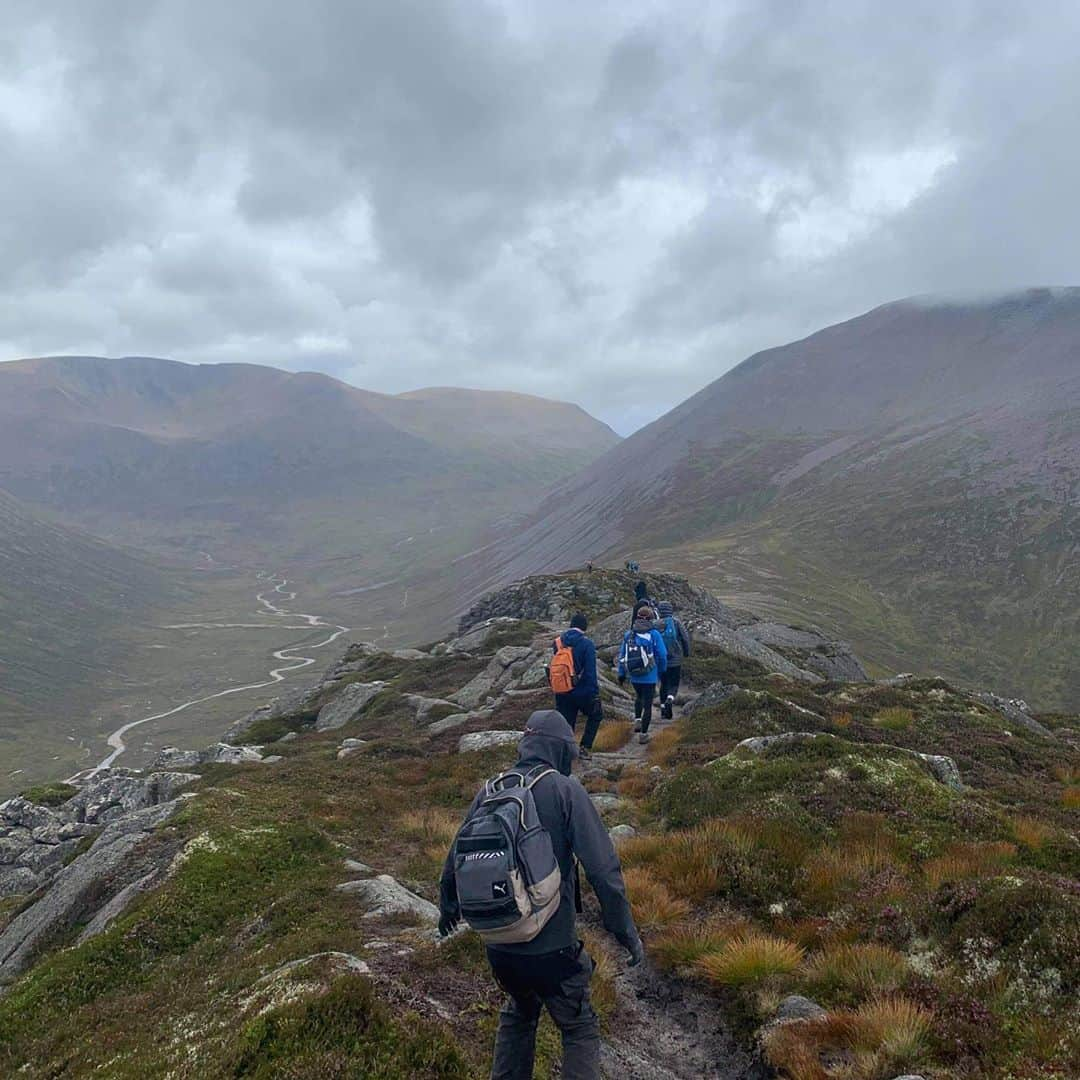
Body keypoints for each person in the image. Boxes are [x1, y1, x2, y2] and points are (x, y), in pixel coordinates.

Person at [438, 711, 644, 1080]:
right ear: (560, 749)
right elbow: (603, 871)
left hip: (500, 946)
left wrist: (447, 908)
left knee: (519, 1013)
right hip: (554, 947)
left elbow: (455, 857)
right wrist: (625, 931)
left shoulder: (491, 789)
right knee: (578, 1026)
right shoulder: (566, 790)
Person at [549, 613, 603, 758]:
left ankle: (566, 753)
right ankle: (584, 748)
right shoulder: (587, 644)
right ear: (584, 627)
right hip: (583, 691)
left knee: (567, 723)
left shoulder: (558, 643)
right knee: (596, 715)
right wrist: (594, 693)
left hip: (562, 690)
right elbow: (590, 672)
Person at [617, 606, 667, 743]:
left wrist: (621, 674)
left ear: (637, 617)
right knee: (648, 704)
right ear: (652, 618)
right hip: (649, 676)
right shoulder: (654, 634)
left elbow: (622, 655)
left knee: (638, 697)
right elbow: (662, 655)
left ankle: (637, 720)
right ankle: (643, 735)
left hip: (634, 675)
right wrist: (662, 670)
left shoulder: (629, 634)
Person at [654, 601, 691, 719]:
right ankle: (670, 699)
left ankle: (663, 709)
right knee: (673, 684)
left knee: (663, 684)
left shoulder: (654, 624)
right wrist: (686, 653)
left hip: (660, 660)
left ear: (659, 611)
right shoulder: (676, 622)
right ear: (671, 610)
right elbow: (685, 639)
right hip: (675, 659)